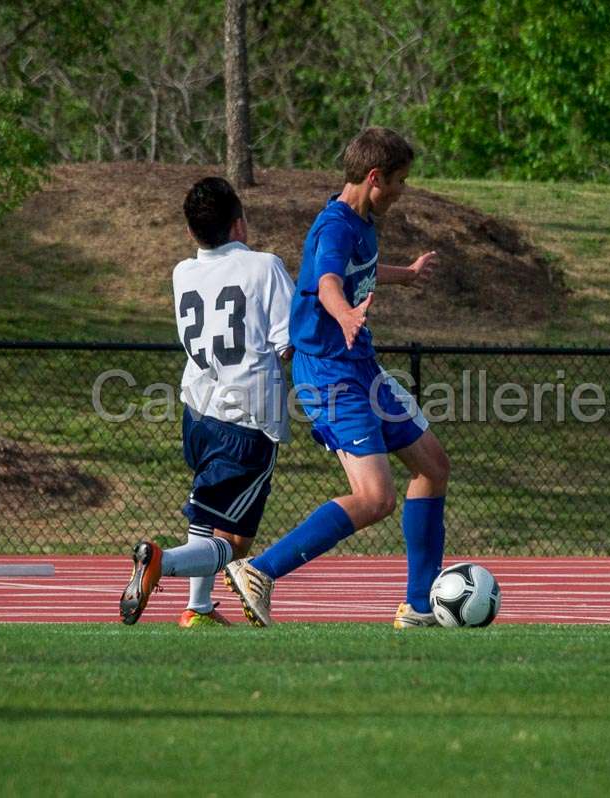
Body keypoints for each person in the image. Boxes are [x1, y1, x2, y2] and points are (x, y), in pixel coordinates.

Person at [224, 127, 449, 629]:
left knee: (433, 465)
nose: (402, 190)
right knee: (376, 498)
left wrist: (405, 275)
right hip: (329, 373)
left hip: (360, 368)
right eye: (400, 181)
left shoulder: (361, 223)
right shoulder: (336, 227)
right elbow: (327, 281)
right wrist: (346, 315)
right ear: (375, 177)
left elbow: (356, 270)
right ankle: (259, 570)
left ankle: (417, 607)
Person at [121, 176, 294, 628]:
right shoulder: (264, 266)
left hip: (197, 411)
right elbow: (289, 344)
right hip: (247, 417)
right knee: (236, 542)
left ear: (191, 232)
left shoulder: (183, 272)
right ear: (239, 223)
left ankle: (197, 609)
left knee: (205, 511)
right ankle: (162, 562)